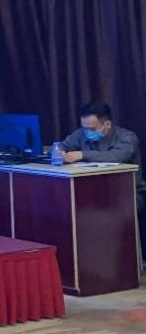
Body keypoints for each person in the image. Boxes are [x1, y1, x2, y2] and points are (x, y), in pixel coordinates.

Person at [55, 101, 144, 259]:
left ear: (107, 124)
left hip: (127, 195)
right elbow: (61, 146)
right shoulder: (81, 134)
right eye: (84, 128)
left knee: (99, 217)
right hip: (91, 194)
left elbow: (117, 157)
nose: (87, 132)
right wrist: (59, 153)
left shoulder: (127, 137)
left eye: (91, 129)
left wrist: (82, 154)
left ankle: (121, 264)